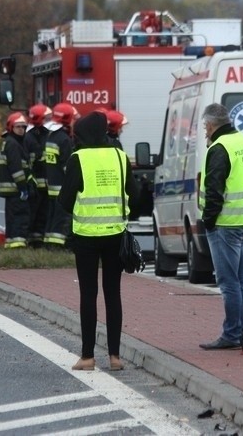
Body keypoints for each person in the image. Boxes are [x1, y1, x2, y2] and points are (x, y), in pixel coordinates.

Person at [58, 111, 140, 371]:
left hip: (86, 237)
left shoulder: (78, 159)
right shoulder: (119, 157)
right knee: (113, 293)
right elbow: (134, 195)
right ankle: (115, 357)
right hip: (116, 234)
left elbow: (64, 200)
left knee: (88, 294)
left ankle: (88, 357)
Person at [197, 103, 243, 350]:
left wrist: (208, 221)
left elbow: (214, 191)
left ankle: (232, 334)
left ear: (211, 125)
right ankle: (242, 331)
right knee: (241, 279)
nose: (205, 132)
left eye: (205, 127)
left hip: (226, 223)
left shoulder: (219, 149)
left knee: (228, 282)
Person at [43, 103, 76, 248]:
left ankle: (49, 244)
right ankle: (57, 246)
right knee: (62, 218)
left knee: (52, 217)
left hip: (51, 186)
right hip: (61, 187)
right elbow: (67, 167)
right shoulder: (64, 139)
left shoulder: (51, 137)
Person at [0, 111, 33, 249]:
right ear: (11, 127)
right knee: (20, 216)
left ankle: (11, 241)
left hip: (11, 189)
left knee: (12, 216)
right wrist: (23, 188)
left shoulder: (11, 142)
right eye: (18, 127)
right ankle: (18, 243)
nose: (22, 130)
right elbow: (16, 169)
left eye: (24, 127)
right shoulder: (13, 144)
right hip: (16, 188)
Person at [24, 104, 52, 247]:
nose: (49, 120)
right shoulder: (29, 137)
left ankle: (38, 241)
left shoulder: (46, 134)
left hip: (45, 185)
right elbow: (28, 162)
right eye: (46, 118)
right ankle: (28, 240)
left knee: (43, 215)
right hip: (35, 185)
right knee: (31, 214)